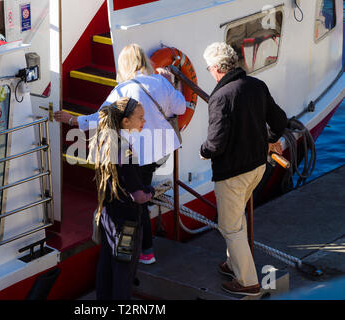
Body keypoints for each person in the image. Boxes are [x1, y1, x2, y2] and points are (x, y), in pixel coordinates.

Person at [54, 43, 186, 264]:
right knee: (140, 197)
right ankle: (143, 249)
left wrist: (71, 120)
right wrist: (173, 84)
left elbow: (100, 118)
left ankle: (143, 252)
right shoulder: (161, 82)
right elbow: (180, 108)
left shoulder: (122, 90)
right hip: (160, 151)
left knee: (135, 203)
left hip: (137, 155)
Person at [200, 42, 287, 296]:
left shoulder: (220, 97)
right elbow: (280, 121)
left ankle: (248, 282)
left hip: (232, 174)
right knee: (237, 217)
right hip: (257, 166)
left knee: (230, 226)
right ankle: (233, 263)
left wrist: (203, 150)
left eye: (209, 69)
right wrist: (270, 139)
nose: (210, 73)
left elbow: (215, 143)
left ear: (217, 68)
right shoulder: (256, 86)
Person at [90, 97, 154, 300]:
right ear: (125, 121)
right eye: (140, 118)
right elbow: (138, 196)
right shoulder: (125, 150)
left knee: (107, 268)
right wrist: (153, 192)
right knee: (123, 274)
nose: (144, 122)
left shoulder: (104, 142)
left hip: (108, 216)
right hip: (127, 223)